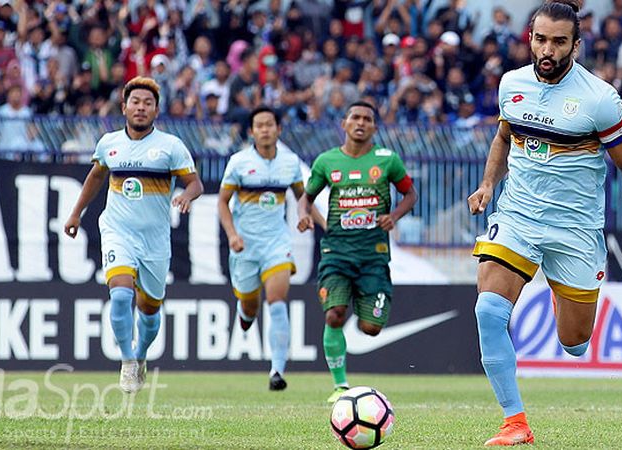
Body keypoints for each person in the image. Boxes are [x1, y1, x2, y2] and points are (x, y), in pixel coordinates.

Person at [466, 1, 622, 446]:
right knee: (489, 310)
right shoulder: (512, 83)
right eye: (540, 38)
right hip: (518, 214)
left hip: (576, 230)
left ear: (576, 45)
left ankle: (559, 293)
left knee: (575, 343)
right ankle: (515, 423)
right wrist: (489, 183)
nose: (547, 49)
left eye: (558, 41)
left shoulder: (599, 99)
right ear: (529, 37)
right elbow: (504, 137)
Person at [64, 77, 204, 393]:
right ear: (124, 107)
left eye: (148, 103)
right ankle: (127, 361)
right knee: (121, 292)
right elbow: (96, 175)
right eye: (135, 102)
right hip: (117, 230)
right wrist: (76, 213)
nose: (141, 107)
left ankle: (140, 355)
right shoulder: (109, 143)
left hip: (155, 239)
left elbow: (196, 184)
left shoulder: (171, 147)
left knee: (150, 311)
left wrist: (186, 195)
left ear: (156, 110)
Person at [297, 101, 418, 403]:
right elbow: (306, 197)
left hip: (373, 256)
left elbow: (410, 194)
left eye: (367, 119)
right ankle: (340, 385)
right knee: (335, 315)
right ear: (344, 123)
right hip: (336, 253)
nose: (361, 122)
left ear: (375, 127)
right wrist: (305, 216)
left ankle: (366, 310)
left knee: (372, 327)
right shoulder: (327, 161)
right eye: (355, 117)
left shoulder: (387, 160)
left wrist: (395, 216)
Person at [217, 106, 325, 391]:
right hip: (245, 247)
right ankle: (246, 313)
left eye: (269, 124)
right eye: (259, 125)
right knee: (250, 304)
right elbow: (222, 202)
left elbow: (304, 199)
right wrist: (232, 235)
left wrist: (314, 220)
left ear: (279, 129)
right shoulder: (239, 163)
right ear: (251, 131)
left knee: (277, 302)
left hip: (276, 244)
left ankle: (277, 372)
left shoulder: (289, 163)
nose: (264, 129)